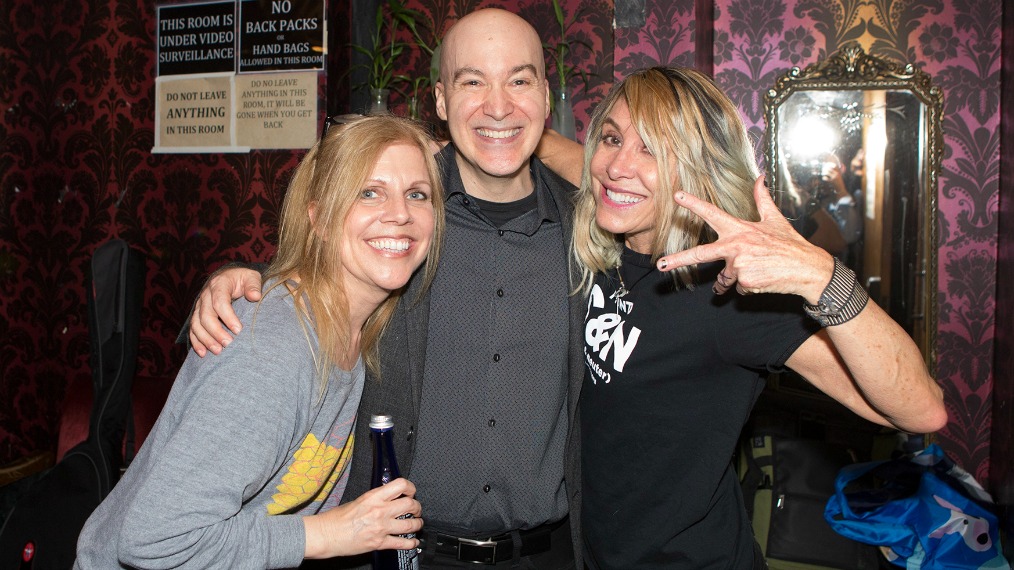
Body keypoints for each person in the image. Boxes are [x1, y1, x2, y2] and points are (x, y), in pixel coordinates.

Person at [184, 9, 583, 569]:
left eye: (519, 80)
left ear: (545, 95)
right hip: (391, 553)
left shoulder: (590, 230)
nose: (498, 105)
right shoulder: (401, 223)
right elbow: (316, 268)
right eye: (473, 81)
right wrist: (244, 281)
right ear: (441, 102)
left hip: (550, 555)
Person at [569, 66, 946, 568]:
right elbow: (593, 169)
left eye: (654, 150)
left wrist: (820, 274)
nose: (617, 166)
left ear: (697, 169)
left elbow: (921, 411)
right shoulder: (610, 253)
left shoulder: (726, 293)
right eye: (611, 138)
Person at [74, 115, 443, 569]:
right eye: (368, 191)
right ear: (319, 219)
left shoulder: (355, 333)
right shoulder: (274, 348)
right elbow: (155, 538)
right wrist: (332, 534)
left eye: (417, 194)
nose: (400, 213)